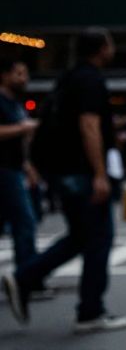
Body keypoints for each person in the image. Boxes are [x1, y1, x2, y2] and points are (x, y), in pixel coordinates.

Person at [3, 29, 126, 333]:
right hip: (81, 172)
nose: (113, 49)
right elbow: (89, 126)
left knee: (80, 237)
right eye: (111, 44)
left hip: (63, 171)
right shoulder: (90, 80)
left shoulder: (70, 78)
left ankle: (24, 278)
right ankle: (89, 311)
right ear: (102, 48)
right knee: (99, 237)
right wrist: (100, 173)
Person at [0, 59, 52, 300]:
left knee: (24, 222)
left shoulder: (15, 103)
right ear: (5, 75)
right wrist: (23, 127)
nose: (24, 78)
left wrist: (27, 167)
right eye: (19, 73)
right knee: (25, 223)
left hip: (14, 168)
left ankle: (27, 278)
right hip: (4, 171)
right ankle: (27, 279)